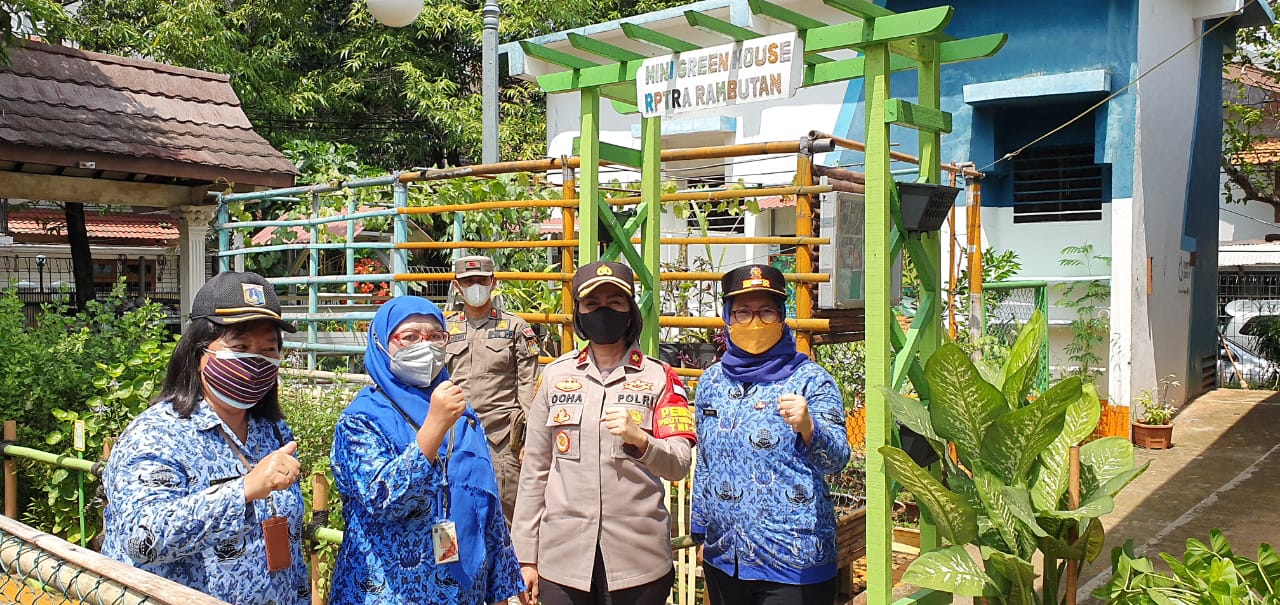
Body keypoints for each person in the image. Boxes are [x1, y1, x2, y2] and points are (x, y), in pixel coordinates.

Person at [102, 271, 308, 604]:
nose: (255, 360)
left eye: (268, 349)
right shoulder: (157, 434)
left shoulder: (272, 431)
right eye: (240, 347)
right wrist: (243, 491)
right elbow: (142, 538)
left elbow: (288, 542)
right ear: (199, 353)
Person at [512, 261, 697, 605]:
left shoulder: (661, 378)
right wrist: (525, 556)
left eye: (615, 302)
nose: (603, 311)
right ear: (579, 315)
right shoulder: (554, 376)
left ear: (630, 312)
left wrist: (643, 442)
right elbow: (535, 471)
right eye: (592, 304)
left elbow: (679, 464)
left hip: (637, 560)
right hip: (562, 559)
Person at [329, 296, 523, 605]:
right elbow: (384, 500)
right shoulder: (361, 420)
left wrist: (502, 589)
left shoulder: (461, 413)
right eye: (409, 337)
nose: (426, 346)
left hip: (461, 592)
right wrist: (434, 426)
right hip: (386, 593)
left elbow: (487, 506)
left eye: (435, 336)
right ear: (381, 344)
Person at [690, 264, 851, 605]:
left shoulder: (810, 380)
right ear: (727, 318)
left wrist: (810, 427)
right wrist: (700, 531)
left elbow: (837, 460)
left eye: (766, 312)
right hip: (726, 559)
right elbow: (705, 460)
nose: (755, 322)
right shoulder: (712, 382)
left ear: (781, 317)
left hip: (793, 563)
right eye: (744, 312)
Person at [444, 255, 540, 520]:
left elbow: (529, 384)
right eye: (468, 281)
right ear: (456, 286)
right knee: (459, 514)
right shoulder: (444, 329)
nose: (476, 286)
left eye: (482, 280)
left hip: (502, 439)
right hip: (458, 436)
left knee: (509, 515)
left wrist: (531, 439)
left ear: (493, 282)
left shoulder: (515, 327)